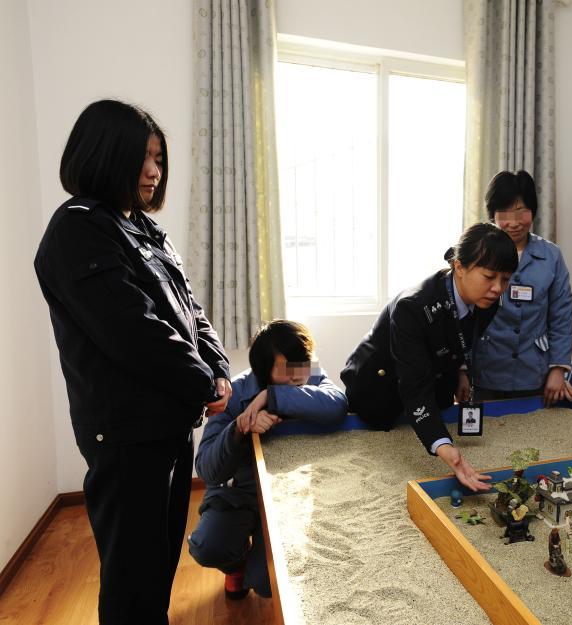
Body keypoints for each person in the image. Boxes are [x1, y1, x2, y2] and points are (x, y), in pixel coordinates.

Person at [34, 100, 231, 625]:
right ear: (104, 154)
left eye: (159, 159)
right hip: (125, 437)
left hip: (166, 425)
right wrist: (203, 382)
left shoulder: (143, 228)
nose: (154, 171)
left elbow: (192, 313)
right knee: (131, 578)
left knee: (157, 566)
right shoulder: (77, 228)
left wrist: (218, 367)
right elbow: (134, 331)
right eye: (143, 157)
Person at [341, 223, 518, 491]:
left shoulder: (487, 302)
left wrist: (460, 370)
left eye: (505, 279)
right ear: (459, 267)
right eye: (489, 276)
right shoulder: (412, 307)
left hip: (431, 386)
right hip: (378, 389)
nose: (498, 288)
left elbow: (460, 337)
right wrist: (443, 445)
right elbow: (414, 385)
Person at [189, 320, 347, 599]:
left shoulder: (306, 373)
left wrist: (272, 396)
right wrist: (240, 427)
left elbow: (337, 404)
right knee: (208, 546)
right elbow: (207, 469)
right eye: (287, 369)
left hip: (290, 493)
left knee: (266, 584)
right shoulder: (234, 392)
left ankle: (253, 571)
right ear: (263, 370)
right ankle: (235, 566)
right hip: (238, 491)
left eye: (304, 363)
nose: (299, 375)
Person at [472, 170, 572, 406]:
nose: (515, 222)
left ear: (533, 211)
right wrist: (461, 369)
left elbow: (561, 316)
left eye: (521, 212)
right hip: (486, 370)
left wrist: (558, 369)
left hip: (534, 373)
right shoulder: (477, 251)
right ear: (492, 215)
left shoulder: (551, 256)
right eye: (505, 213)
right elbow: (460, 314)